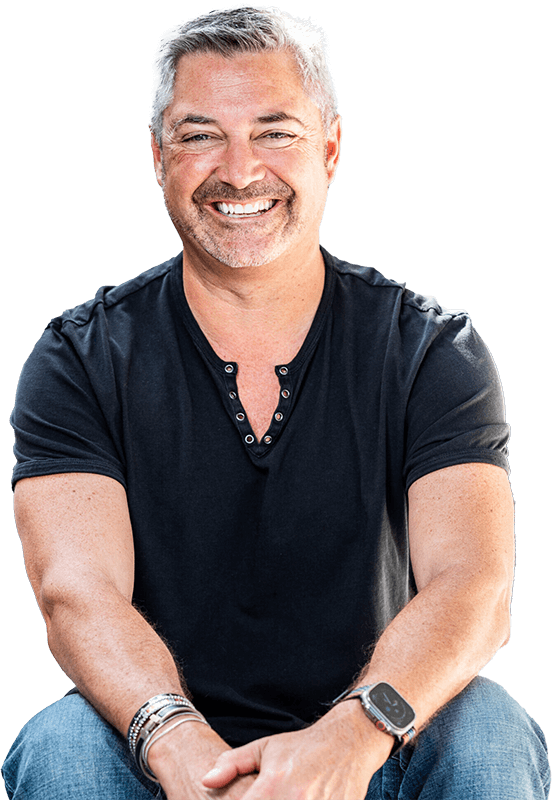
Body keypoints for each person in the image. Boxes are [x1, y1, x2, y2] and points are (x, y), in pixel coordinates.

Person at [2, 6, 549, 799]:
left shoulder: (429, 349)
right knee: (62, 747)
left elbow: (474, 586)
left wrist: (355, 734)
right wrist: (178, 743)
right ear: (158, 156)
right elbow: (77, 595)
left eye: (275, 132)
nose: (239, 170)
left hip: (374, 740)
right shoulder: (78, 359)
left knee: (490, 731)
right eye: (200, 135)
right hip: (163, 741)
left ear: (330, 148)